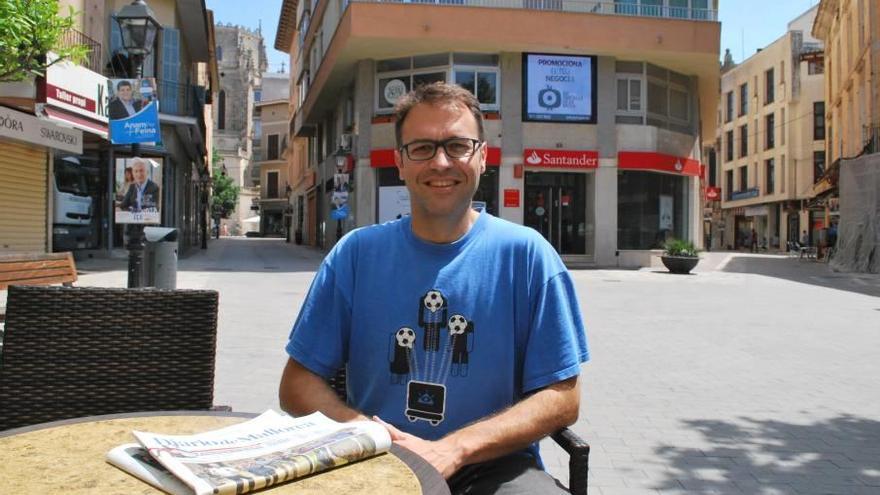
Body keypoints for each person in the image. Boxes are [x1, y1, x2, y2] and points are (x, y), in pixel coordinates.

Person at [279, 82, 589, 494]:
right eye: (422, 148)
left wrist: (456, 449)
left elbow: (563, 396)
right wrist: (367, 432)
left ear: (482, 157)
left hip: (494, 466)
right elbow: (296, 384)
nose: (441, 162)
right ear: (400, 162)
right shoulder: (355, 255)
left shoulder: (529, 256)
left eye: (458, 146)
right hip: (378, 457)